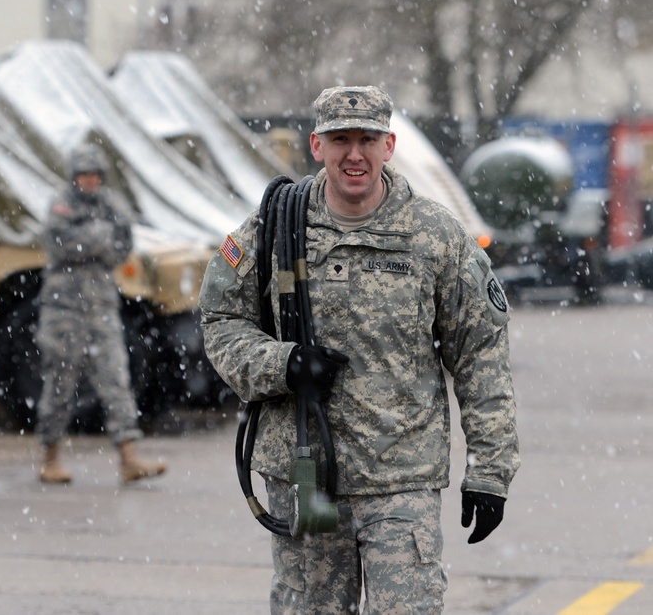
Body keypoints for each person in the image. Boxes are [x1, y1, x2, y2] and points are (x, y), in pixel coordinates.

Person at [199, 86, 519, 614]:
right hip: (307, 473)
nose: (354, 154)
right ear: (315, 145)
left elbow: (481, 353)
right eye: (339, 139)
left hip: (401, 478)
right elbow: (220, 318)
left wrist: (490, 470)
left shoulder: (434, 235)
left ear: (389, 145)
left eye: (367, 139)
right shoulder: (276, 227)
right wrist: (283, 364)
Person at [34, 142, 167, 485]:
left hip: (101, 305)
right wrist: (97, 237)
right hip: (64, 309)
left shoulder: (111, 204)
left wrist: (93, 241)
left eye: (95, 175)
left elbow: (123, 244)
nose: (90, 180)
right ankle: (50, 457)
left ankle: (128, 456)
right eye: (84, 174)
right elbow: (59, 243)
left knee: (116, 381)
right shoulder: (62, 204)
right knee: (60, 384)